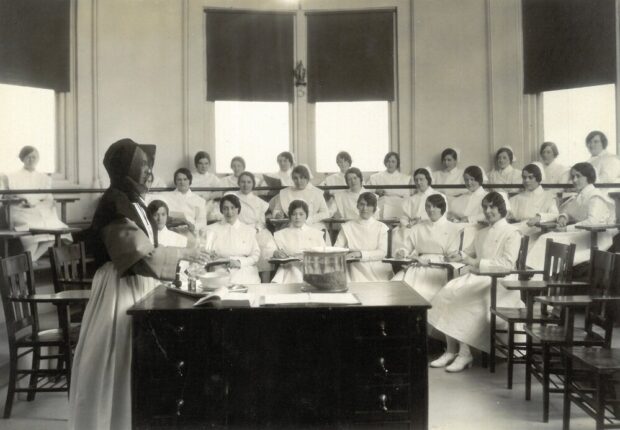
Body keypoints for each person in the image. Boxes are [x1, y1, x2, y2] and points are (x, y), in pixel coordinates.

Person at [69, 138, 207, 430]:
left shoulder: (135, 201)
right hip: (119, 286)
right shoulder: (114, 204)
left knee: (134, 362)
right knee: (116, 359)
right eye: (142, 165)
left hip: (137, 285)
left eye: (148, 166)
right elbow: (137, 258)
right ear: (125, 169)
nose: (149, 172)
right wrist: (185, 253)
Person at [428, 192, 523, 373]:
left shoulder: (512, 232)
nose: (488, 211)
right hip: (481, 276)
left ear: (502, 208)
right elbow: (470, 253)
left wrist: (477, 263)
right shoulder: (482, 232)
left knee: (463, 299)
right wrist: (460, 255)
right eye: (485, 207)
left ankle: (465, 353)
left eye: (492, 207)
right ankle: (451, 350)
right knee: (447, 291)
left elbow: (507, 264)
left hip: (501, 282)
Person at [526, 162, 616, 269]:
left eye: (578, 176)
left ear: (588, 177)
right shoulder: (581, 195)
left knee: (547, 238)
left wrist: (566, 229)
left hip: (593, 238)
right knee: (545, 238)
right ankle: (536, 272)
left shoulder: (595, 197)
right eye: (573, 177)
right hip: (581, 233)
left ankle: (541, 274)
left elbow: (592, 222)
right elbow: (570, 212)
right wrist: (564, 217)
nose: (574, 180)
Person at [5, 146, 72, 261]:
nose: (31, 160)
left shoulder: (43, 177)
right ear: (22, 159)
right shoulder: (12, 177)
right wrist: (21, 200)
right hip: (21, 211)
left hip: (42, 211)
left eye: (34, 157)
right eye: (28, 157)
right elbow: (7, 196)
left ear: (38, 159)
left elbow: (48, 197)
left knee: (54, 234)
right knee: (33, 236)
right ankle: (27, 265)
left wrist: (41, 203)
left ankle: (29, 263)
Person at [392, 194, 462, 302]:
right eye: (428, 206)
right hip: (418, 264)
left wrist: (448, 258)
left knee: (425, 291)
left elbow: (453, 254)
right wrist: (402, 251)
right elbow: (407, 247)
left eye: (435, 207)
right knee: (394, 284)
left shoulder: (453, 228)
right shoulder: (418, 227)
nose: (431, 210)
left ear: (442, 209)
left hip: (441, 267)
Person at [334, 192, 393, 282]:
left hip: (376, 267)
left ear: (374, 208)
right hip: (354, 267)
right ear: (357, 206)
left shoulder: (381, 227)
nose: (365, 208)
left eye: (369, 205)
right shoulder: (347, 226)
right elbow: (337, 249)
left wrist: (360, 254)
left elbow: (382, 252)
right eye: (362, 204)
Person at [204, 194, 261, 284]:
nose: (229, 212)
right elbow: (206, 253)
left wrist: (240, 262)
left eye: (233, 208)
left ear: (238, 209)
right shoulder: (212, 229)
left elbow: (255, 255)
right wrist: (212, 257)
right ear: (221, 210)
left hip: (244, 269)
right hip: (220, 268)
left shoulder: (248, 230)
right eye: (225, 208)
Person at [271, 200, 327, 283]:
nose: (297, 217)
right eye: (294, 214)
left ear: (306, 216)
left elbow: (324, 253)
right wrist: (276, 253)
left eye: (301, 214)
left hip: (312, 267)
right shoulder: (281, 234)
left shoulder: (316, 233)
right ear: (290, 216)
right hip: (289, 268)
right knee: (293, 272)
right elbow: (271, 250)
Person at [269, 165, 330, 232]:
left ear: (307, 179)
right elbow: (277, 210)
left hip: (312, 224)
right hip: (291, 225)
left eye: (302, 178)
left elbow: (325, 212)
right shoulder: (285, 192)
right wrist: (277, 215)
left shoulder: (316, 192)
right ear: (292, 179)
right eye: (295, 178)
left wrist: (310, 219)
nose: (299, 181)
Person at [508, 163, 559, 239]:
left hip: (536, 232)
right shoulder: (516, 198)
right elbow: (506, 213)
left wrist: (539, 217)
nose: (526, 180)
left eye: (530, 177)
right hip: (517, 228)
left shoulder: (548, 196)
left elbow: (555, 215)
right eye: (524, 178)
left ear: (538, 178)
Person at [446, 165, 488, 250]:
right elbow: (454, 213)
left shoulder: (487, 196)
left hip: (479, 227)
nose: (469, 183)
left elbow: (487, 214)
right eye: (466, 180)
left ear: (479, 179)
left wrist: (468, 219)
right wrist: (452, 216)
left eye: (472, 179)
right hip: (460, 226)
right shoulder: (462, 197)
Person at [162, 167, 207, 236]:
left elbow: (202, 221)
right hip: (171, 231)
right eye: (179, 179)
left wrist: (194, 226)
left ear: (190, 181)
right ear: (175, 181)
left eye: (185, 179)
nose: (182, 182)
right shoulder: (166, 196)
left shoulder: (199, 200)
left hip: (190, 232)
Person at [367, 151, 411, 218]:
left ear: (397, 163)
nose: (390, 164)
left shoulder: (405, 178)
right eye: (388, 161)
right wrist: (376, 191)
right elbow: (368, 192)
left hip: (399, 204)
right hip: (382, 203)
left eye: (393, 162)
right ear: (385, 162)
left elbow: (406, 196)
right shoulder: (376, 177)